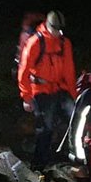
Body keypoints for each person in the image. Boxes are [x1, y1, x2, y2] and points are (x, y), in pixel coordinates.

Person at [16, 10, 76, 169]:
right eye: (56, 29)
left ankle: (71, 155)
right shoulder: (35, 42)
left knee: (75, 116)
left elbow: (69, 70)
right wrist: (26, 97)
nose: (58, 33)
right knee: (45, 127)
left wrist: (74, 95)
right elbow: (24, 70)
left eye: (60, 30)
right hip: (40, 89)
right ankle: (38, 164)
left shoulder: (65, 43)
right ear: (48, 26)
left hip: (59, 88)